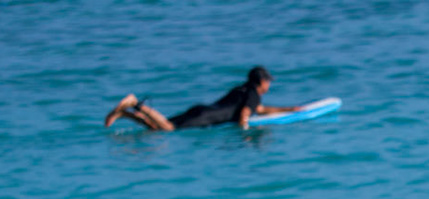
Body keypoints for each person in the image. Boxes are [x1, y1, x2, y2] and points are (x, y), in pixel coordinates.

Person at [102, 66, 297, 132]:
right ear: (260, 82)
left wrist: (291, 109)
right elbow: (246, 113)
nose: (269, 85)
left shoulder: (242, 90)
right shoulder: (253, 94)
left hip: (202, 110)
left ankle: (125, 114)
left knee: (157, 127)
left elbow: (260, 109)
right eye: (268, 81)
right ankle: (135, 103)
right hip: (205, 118)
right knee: (168, 129)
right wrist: (244, 134)